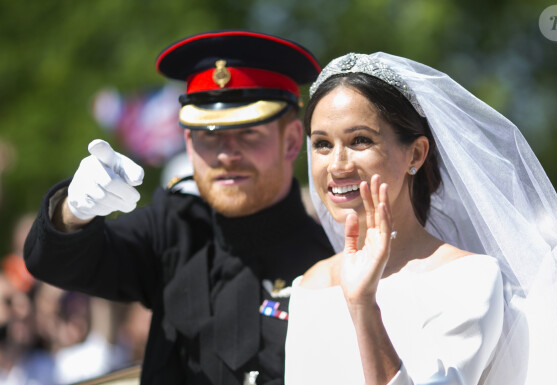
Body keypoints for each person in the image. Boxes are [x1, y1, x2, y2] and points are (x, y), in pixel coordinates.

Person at [24, 30, 334, 385]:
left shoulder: (328, 258)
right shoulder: (174, 227)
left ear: (292, 141)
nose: (225, 154)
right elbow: (55, 263)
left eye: (249, 133)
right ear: (188, 141)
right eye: (209, 134)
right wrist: (73, 212)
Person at [284, 52, 557, 385]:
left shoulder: (467, 279)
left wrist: (364, 307)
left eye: (360, 140)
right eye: (322, 144)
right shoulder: (311, 285)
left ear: (416, 153)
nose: (337, 165)